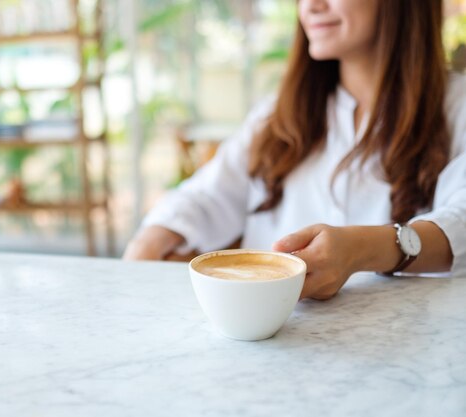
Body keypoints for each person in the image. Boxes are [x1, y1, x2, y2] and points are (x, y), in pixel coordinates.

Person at [123, 0, 466, 300]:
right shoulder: (277, 116)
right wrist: (154, 237)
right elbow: (205, 196)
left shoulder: (457, 107)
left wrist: (365, 248)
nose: (310, 5)